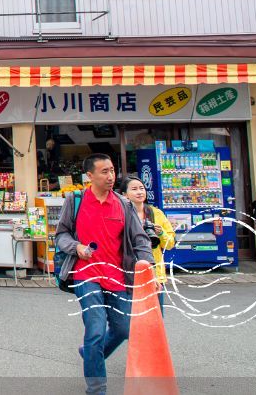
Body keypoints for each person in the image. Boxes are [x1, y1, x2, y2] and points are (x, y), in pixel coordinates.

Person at [54, 154, 154, 395]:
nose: (111, 177)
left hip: (118, 277)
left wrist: (148, 268)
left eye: (112, 171)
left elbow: (140, 240)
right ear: (90, 176)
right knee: (95, 330)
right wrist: (75, 247)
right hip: (86, 276)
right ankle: (97, 389)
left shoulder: (123, 204)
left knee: (122, 329)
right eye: (104, 172)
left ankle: (90, 354)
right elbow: (61, 235)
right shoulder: (75, 200)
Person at [117, 174, 176, 313]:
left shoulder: (156, 214)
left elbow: (170, 244)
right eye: (134, 189)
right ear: (125, 194)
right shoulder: (120, 214)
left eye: (141, 188)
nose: (139, 192)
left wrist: (160, 233)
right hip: (127, 273)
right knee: (129, 319)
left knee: (155, 317)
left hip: (154, 273)